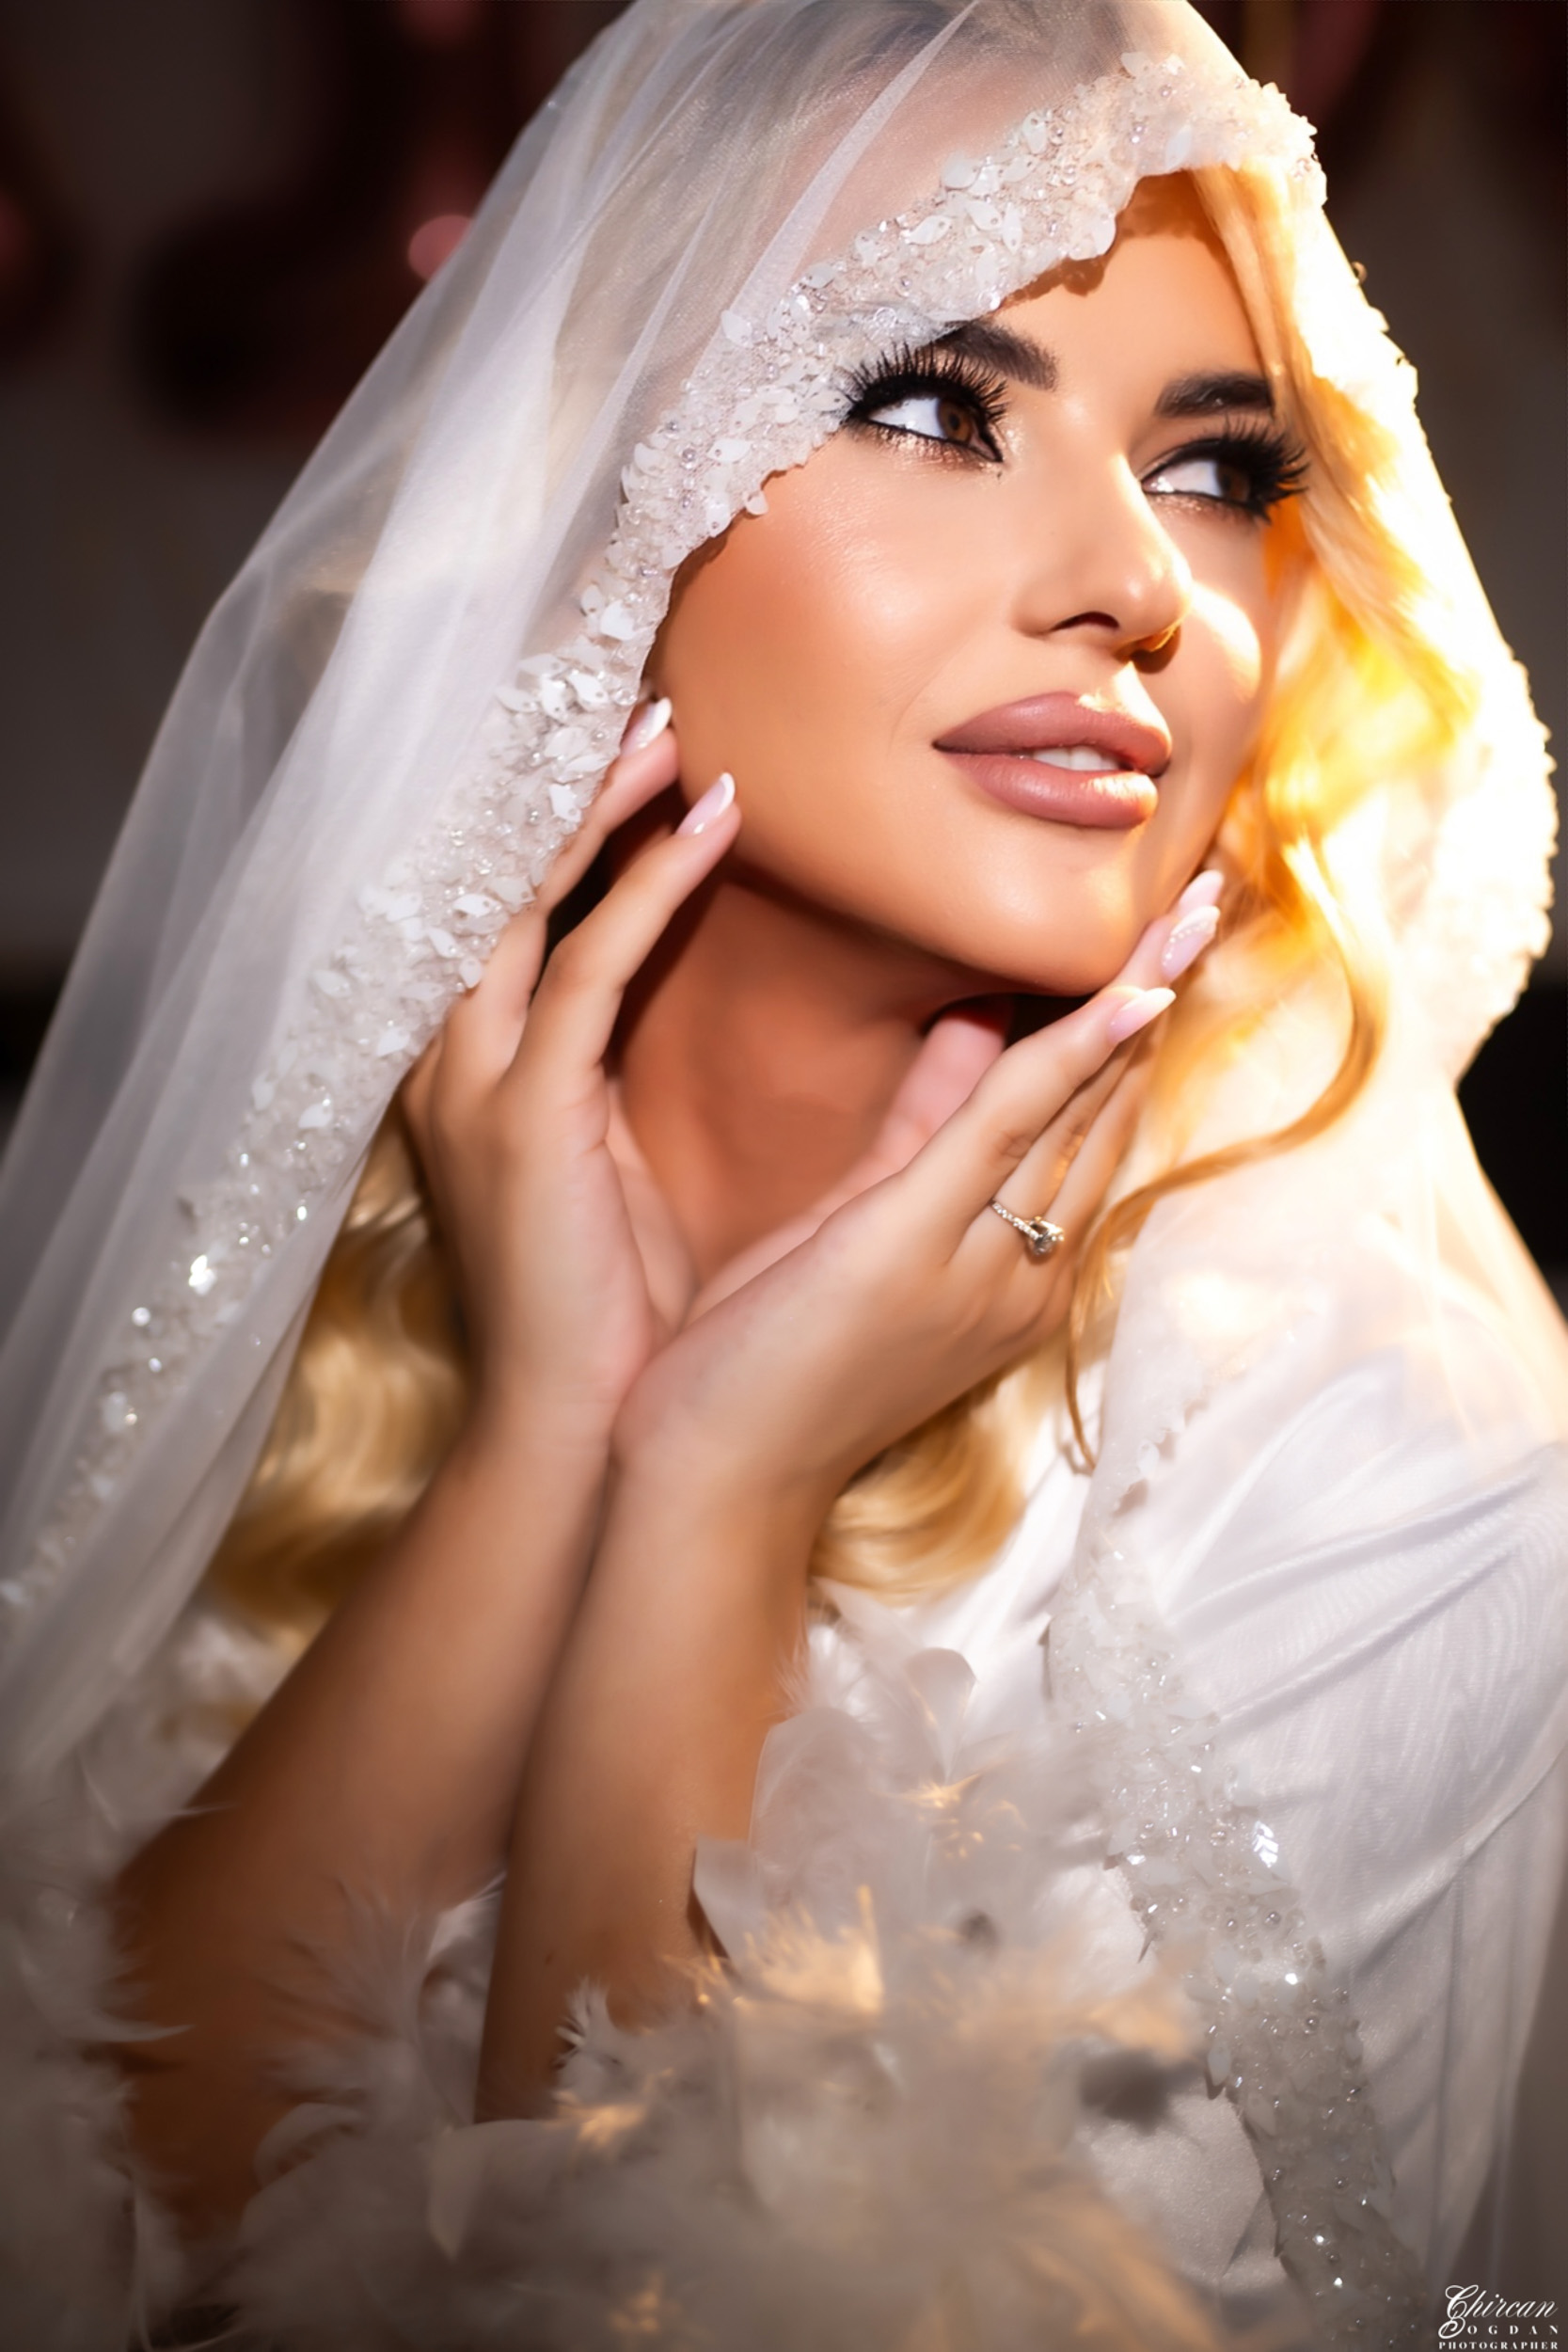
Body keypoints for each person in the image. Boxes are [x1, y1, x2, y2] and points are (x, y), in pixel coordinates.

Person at [0, 2, 1562, 2345]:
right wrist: (551, 1429)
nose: (1140, 582)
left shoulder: (1398, 1472)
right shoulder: (272, 1290)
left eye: (1219, 465)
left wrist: (721, 1491)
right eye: (930, 405)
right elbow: (89, 2227)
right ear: (590, 521)